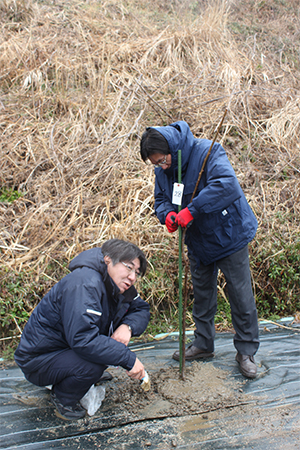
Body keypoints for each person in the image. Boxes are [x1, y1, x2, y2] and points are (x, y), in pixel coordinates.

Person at [140, 121, 260, 378]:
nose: (161, 166)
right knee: (202, 294)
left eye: (162, 160)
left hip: (229, 233)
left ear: (172, 149)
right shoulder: (163, 170)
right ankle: (204, 344)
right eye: (155, 164)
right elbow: (160, 200)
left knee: (240, 294)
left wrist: (192, 210)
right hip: (198, 239)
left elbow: (227, 185)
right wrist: (168, 215)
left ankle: (246, 351)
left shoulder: (208, 152)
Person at [14, 239, 150, 420]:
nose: (132, 277)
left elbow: (141, 309)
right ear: (108, 260)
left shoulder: (116, 286)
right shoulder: (85, 283)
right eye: (128, 267)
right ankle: (63, 397)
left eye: (136, 272)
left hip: (66, 348)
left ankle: (77, 374)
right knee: (93, 364)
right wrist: (128, 358)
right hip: (39, 359)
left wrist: (128, 327)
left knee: (105, 352)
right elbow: (83, 339)